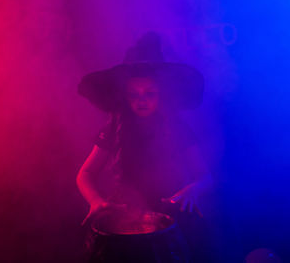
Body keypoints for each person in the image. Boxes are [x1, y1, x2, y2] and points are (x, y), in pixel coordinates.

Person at [76, 32, 213, 262]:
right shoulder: (114, 128)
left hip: (171, 220)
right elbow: (85, 173)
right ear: (126, 98)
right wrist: (96, 201)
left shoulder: (179, 129)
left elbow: (205, 176)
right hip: (123, 222)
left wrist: (193, 189)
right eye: (134, 95)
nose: (142, 100)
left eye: (149, 93)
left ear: (161, 95)